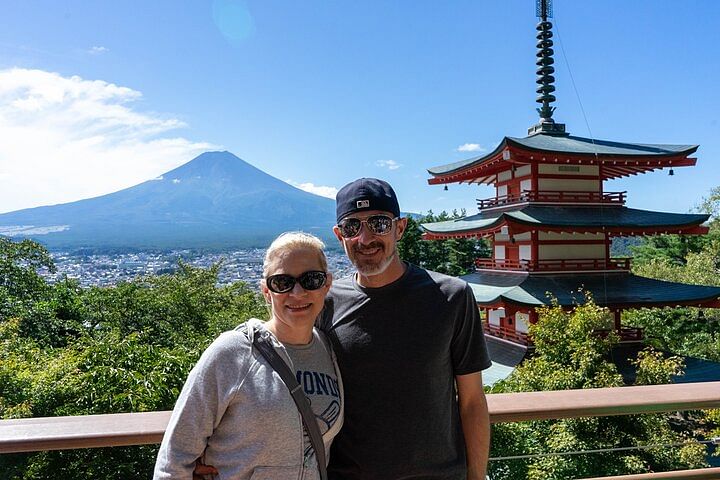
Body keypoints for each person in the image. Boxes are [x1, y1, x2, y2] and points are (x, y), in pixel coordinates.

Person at [319, 178, 492, 480]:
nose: (365, 238)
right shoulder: (325, 303)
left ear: (400, 228)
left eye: (378, 224)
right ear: (339, 236)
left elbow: (472, 401)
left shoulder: (452, 297)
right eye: (352, 227)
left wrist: (476, 476)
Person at [154, 232, 343, 480]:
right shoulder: (233, 353)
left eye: (311, 280)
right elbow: (174, 460)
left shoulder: (328, 350)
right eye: (282, 282)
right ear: (266, 291)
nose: (297, 293)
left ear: (327, 284)